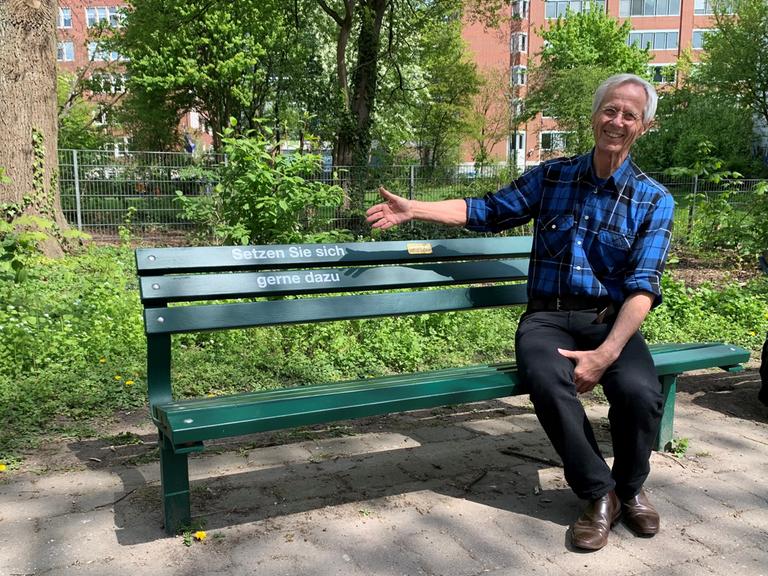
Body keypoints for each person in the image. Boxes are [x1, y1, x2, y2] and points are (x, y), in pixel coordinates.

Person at [367, 74, 674, 551]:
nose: (616, 121)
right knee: (547, 381)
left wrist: (606, 353)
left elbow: (643, 287)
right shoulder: (552, 176)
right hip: (547, 317)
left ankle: (630, 488)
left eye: (628, 115)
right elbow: (488, 209)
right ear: (594, 116)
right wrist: (414, 209)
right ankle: (600, 494)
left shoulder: (654, 199)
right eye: (609, 110)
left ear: (644, 125)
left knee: (639, 392)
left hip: (609, 321)